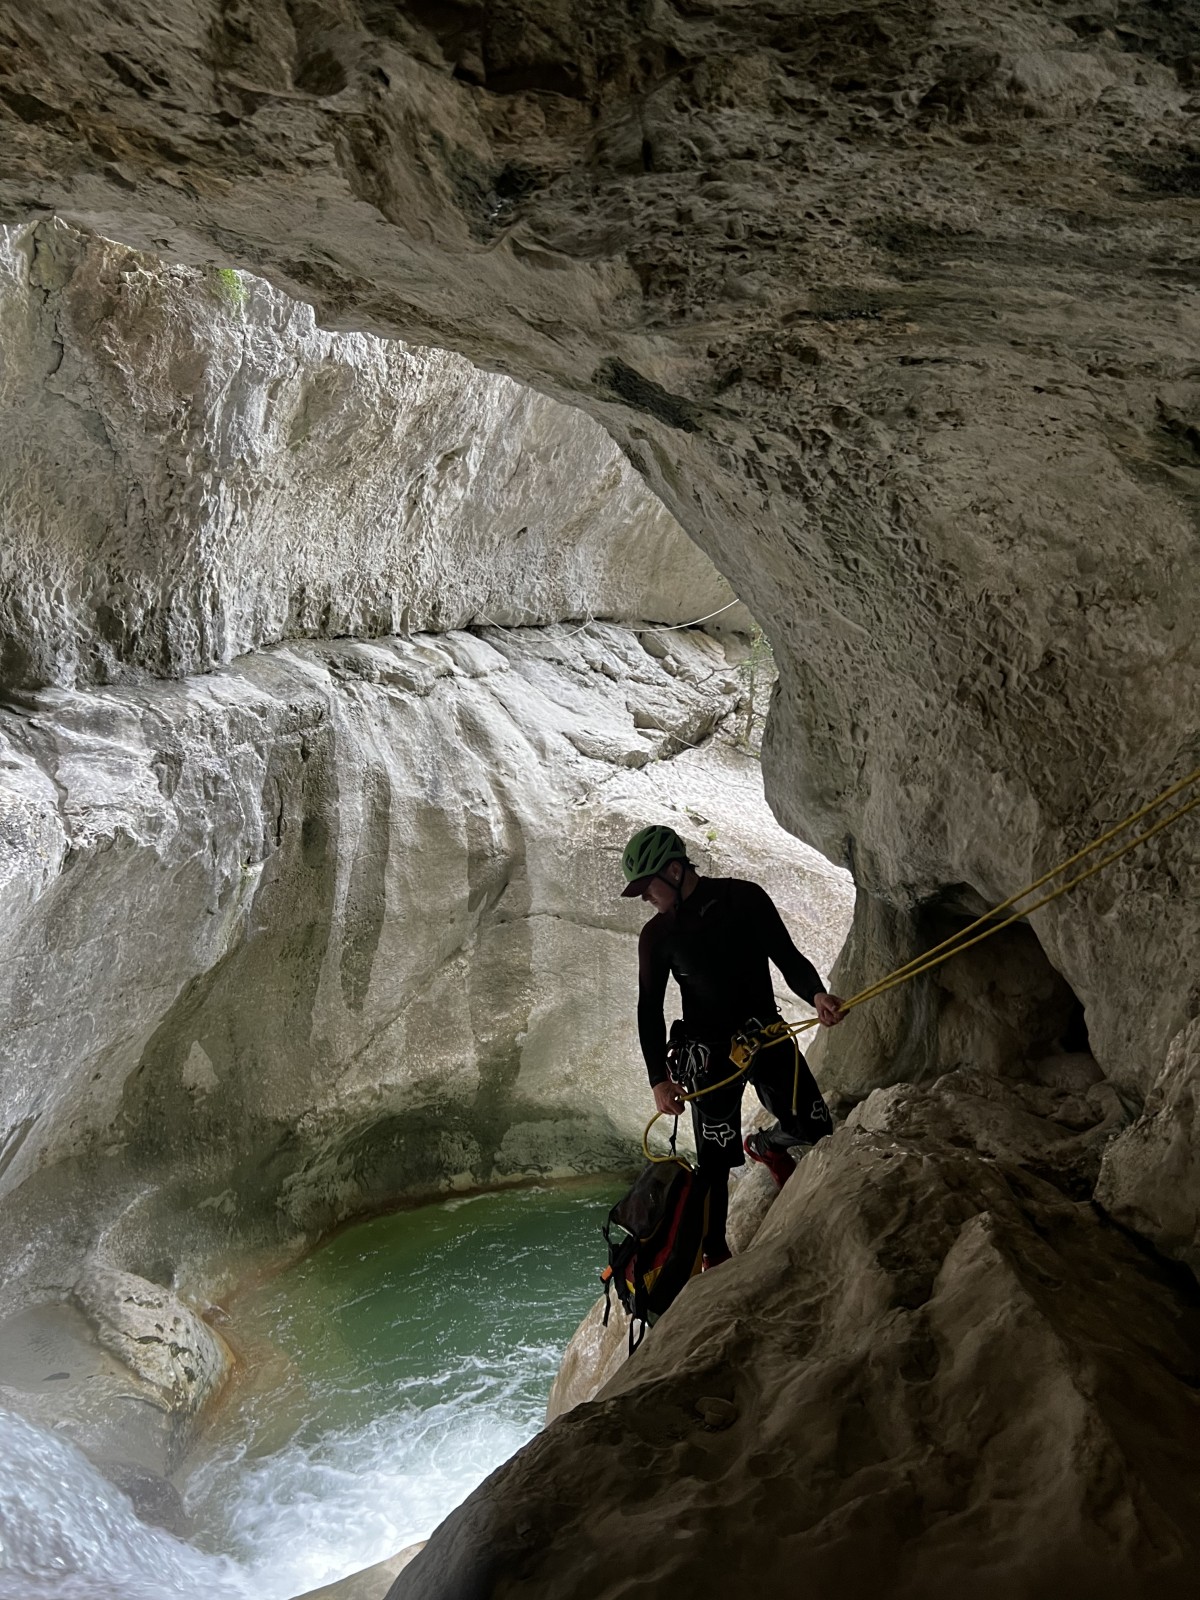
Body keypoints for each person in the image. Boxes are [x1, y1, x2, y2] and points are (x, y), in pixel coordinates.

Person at [621, 823, 844, 1268]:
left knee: (816, 1128)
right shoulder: (657, 936)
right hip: (709, 1056)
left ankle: (767, 1146)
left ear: (674, 870)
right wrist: (658, 1080)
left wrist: (816, 995)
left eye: (648, 888)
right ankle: (715, 1253)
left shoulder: (744, 898)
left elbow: (788, 957)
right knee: (714, 1163)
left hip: (766, 1032)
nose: (647, 898)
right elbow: (649, 1011)